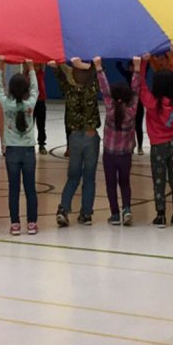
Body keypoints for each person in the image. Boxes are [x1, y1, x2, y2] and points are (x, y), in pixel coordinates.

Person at [53, 57, 101, 227]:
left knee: (73, 176)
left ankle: (63, 209)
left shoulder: (70, 91)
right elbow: (95, 76)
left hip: (74, 138)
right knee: (89, 177)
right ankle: (86, 213)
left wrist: (57, 68)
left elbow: (61, 81)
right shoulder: (92, 89)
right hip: (90, 137)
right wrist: (93, 65)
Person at [94, 55, 141, 226]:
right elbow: (136, 90)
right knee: (125, 182)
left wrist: (99, 68)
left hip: (110, 154)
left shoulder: (110, 108)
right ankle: (126, 208)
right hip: (125, 155)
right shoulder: (132, 111)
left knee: (111, 183)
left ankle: (114, 214)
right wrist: (137, 69)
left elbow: (104, 89)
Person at [0, 58, 39, 235]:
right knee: (30, 189)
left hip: (12, 150)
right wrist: (31, 67)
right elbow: (36, 89)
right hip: (28, 150)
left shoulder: (7, 105)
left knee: (13, 189)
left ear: (10, 90)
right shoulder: (30, 104)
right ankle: (32, 223)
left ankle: (15, 224)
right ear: (27, 90)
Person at [142, 52, 173, 226]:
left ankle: (161, 215)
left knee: (158, 182)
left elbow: (140, 86)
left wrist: (143, 64)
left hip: (158, 147)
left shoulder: (152, 104)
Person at [32, 64, 48, 154]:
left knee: (41, 125)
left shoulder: (41, 73)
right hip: (30, 102)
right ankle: (30, 144)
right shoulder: (27, 74)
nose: (36, 67)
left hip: (40, 101)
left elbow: (43, 63)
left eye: (37, 65)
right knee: (30, 125)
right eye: (34, 65)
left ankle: (41, 144)